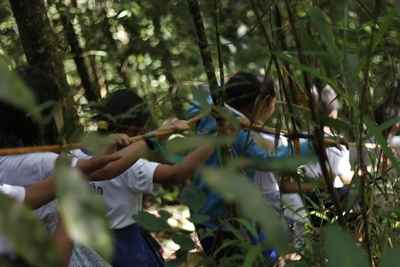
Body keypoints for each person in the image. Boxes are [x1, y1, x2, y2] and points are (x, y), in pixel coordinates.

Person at [71, 89, 214, 267]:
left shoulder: (73, 157)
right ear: (133, 129)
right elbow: (178, 173)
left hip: (85, 245)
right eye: (143, 128)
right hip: (126, 248)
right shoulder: (131, 167)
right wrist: (218, 139)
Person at [185, 71, 314, 264]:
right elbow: (269, 161)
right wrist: (312, 146)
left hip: (204, 214)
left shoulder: (209, 114)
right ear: (266, 102)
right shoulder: (233, 131)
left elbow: (198, 103)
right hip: (228, 220)